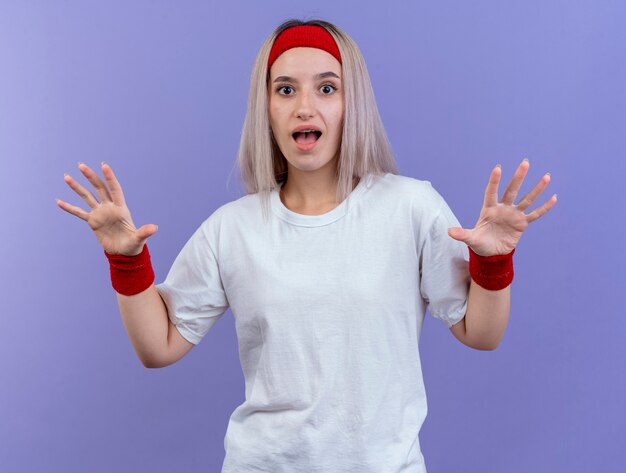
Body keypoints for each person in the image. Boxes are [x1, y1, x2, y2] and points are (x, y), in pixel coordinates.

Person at [56, 18, 557, 473]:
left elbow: (482, 334)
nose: (305, 105)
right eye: (285, 89)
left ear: (350, 103)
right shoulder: (233, 228)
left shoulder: (411, 207)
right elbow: (157, 346)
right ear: (267, 109)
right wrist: (126, 261)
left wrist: (493, 261)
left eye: (327, 87)